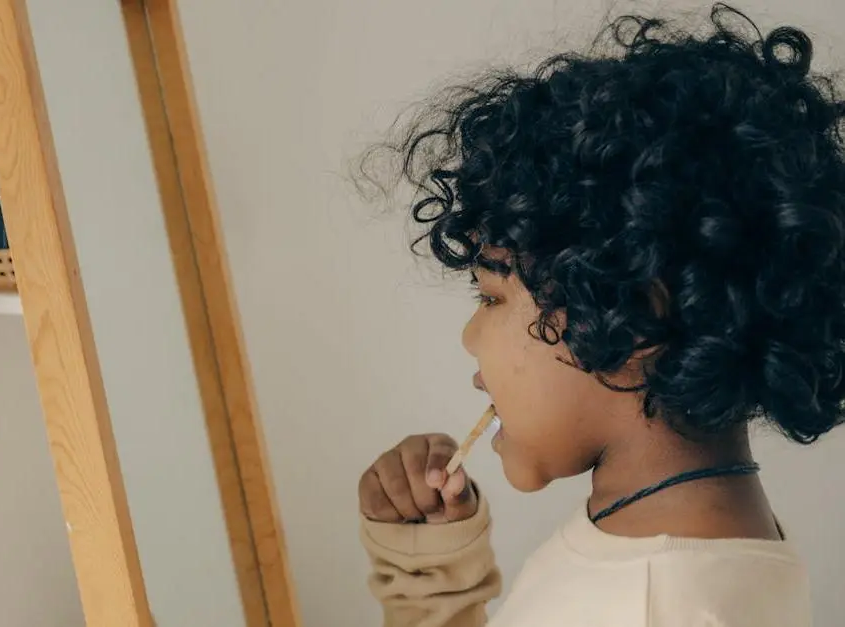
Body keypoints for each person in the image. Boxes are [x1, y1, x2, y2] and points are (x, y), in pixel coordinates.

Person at [356, 4, 845, 626]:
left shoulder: (644, 608)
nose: (470, 338)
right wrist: (428, 575)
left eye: (490, 298)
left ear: (633, 313)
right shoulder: (680, 553)